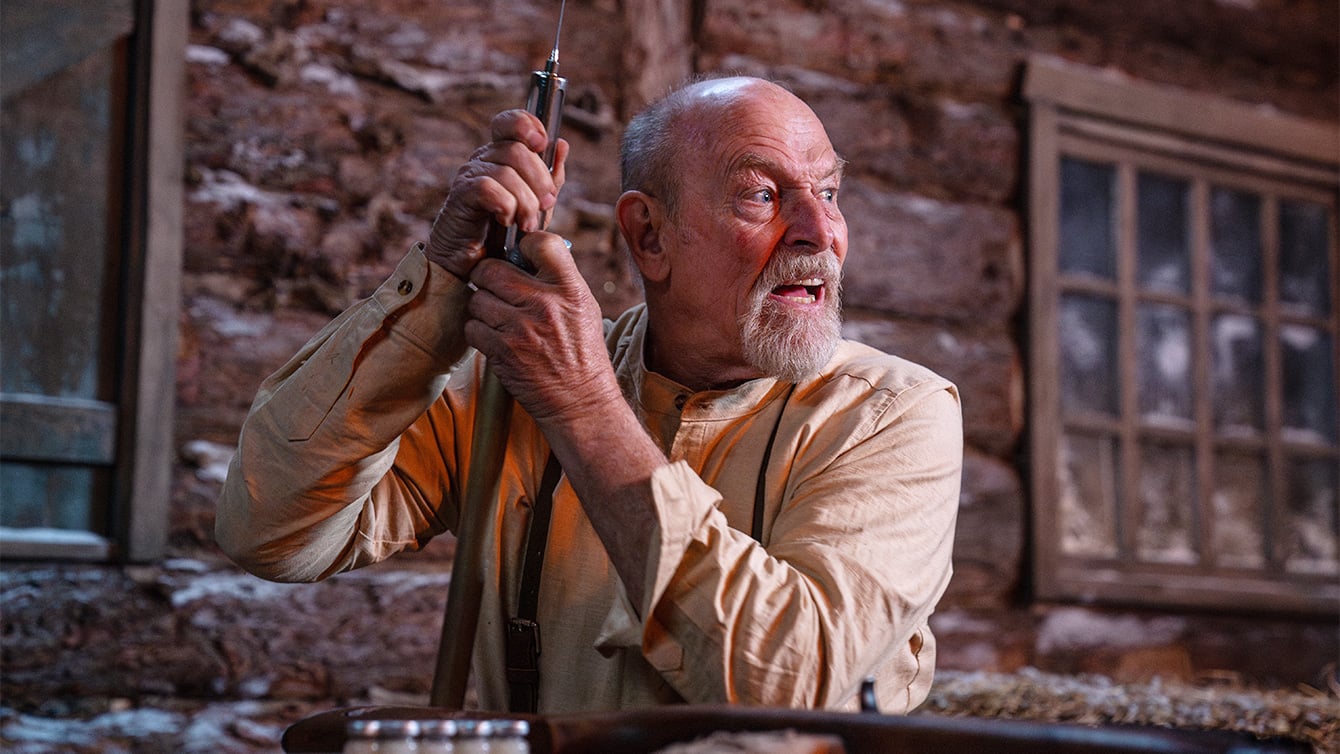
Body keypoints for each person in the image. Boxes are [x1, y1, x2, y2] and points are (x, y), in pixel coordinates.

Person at [216, 75, 962, 715]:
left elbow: (792, 687)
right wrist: (439, 284)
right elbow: (270, 530)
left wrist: (583, 408)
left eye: (828, 191)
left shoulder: (892, 414)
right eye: (762, 195)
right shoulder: (513, 387)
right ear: (649, 237)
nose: (821, 231)